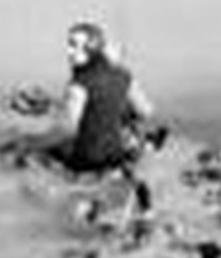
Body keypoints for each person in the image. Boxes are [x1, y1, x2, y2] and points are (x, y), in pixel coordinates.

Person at [49, 21, 160, 177]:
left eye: (74, 45)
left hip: (86, 162)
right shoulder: (124, 75)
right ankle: (140, 146)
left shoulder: (79, 85)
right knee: (125, 122)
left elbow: (67, 130)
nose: (68, 52)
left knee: (54, 150)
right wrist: (120, 113)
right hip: (115, 156)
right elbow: (146, 111)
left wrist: (33, 142)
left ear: (91, 49)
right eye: (69, 44)